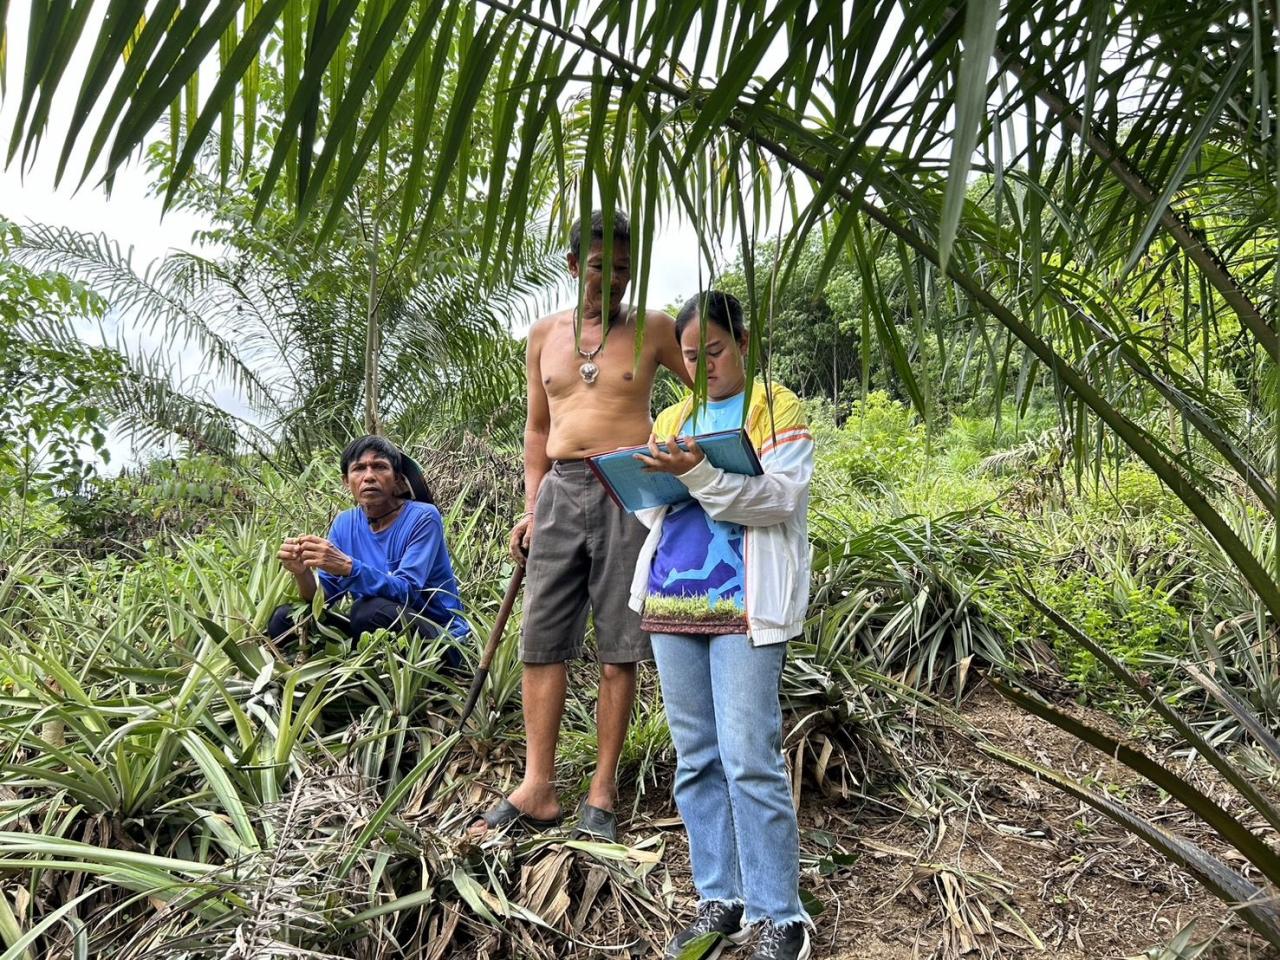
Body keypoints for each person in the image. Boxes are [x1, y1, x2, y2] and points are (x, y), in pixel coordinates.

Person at [469, 210, 692, 841]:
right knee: (542, 637)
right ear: (574, 267)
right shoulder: (543, 335)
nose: (614, 280)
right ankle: (537, 785)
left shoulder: (653, 328)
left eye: (624, 269)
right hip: (561, 490)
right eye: (601, 267)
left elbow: (707, 383)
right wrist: (532, 504)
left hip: (630, 485)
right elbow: (538, 429)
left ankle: (601, 791)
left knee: (620, 642)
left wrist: (692, 457)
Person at [632, 291, 814, 960]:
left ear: (742, 340)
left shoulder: (777, 407)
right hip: (672, 602)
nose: (703, 367)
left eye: (713, 350)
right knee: (698, 759)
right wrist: (647, 480)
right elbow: (652, 507)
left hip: (747, 605)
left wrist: (701, 472)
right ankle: (722, 898)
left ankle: (780, 916)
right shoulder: (675, 415)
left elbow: (780, 499)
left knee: (750, 759)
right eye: (689, 356)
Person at [269, 435, 468, 660]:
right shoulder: (345, 523)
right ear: (346, 481)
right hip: (372, 630)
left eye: (380, 467)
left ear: (397, 479)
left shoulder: (423, 517)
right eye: (359, 469)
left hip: (438, 637)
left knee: (367, 612)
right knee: (284, 618)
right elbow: (323, 598)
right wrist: (302, 572)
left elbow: (408, 591)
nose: (369, 476)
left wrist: (348, 567)